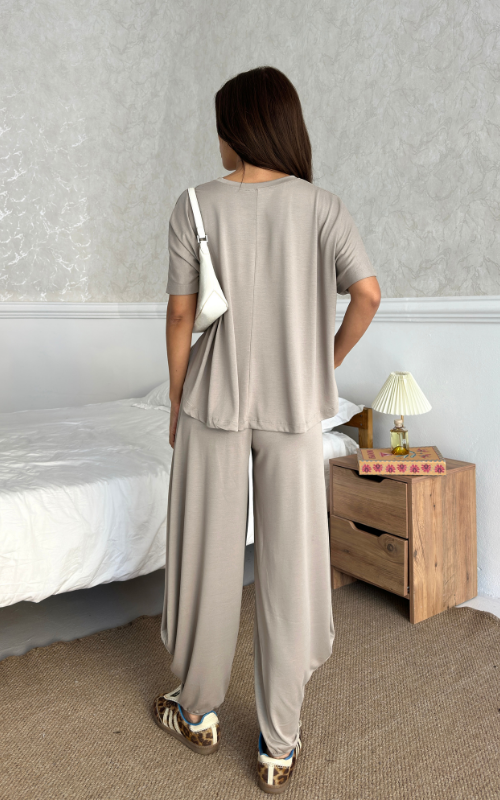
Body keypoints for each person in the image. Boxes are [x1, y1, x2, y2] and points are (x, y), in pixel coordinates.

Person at [152, 66, 381, 794]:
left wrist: (176, 397)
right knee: (290, 568)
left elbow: (181, 314)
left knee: (209, 561)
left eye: (222, 125)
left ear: (242, 128)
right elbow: (368, 294)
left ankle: (197, 711)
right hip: (292, 413)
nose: (218, 140)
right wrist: (321, 363)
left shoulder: (194, 204)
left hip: (212, 406)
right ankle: (278, 746)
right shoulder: (323, 207)